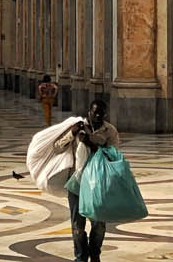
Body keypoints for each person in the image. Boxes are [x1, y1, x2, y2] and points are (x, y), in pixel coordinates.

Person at [57, 98, 121, 262]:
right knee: (78, 226)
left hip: (98, 183)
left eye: (101, 113)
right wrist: (71, 134)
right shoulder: (77, 127)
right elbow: (57, 147)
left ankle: (95, 254)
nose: (98, 115)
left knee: (99, 225)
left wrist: (91, 144)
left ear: (105, 114)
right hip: (76, 184)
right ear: (89, 112)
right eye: (95, 112)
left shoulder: (110, 131)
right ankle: (80, 257)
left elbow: (114, 156)